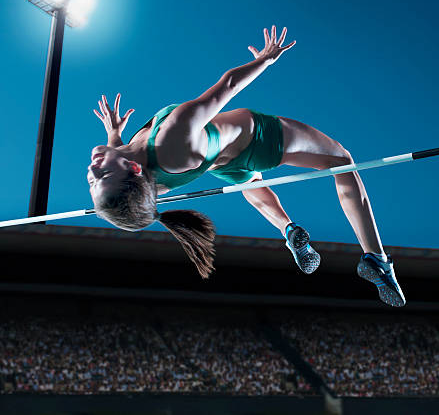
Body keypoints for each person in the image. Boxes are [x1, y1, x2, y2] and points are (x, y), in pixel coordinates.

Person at [89, 26, 405, 307]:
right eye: (103, 174)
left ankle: (289, 230)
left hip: (224, 164)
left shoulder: (143, 179)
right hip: (256, 138)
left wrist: (113, 133)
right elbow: (226, 86)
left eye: (92, 179)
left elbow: (122, 173)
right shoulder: (172, 137)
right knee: (340, 161)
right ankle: (376, 258)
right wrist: (265, 58)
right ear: (132, 170)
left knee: (251, 183)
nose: (93, 168)